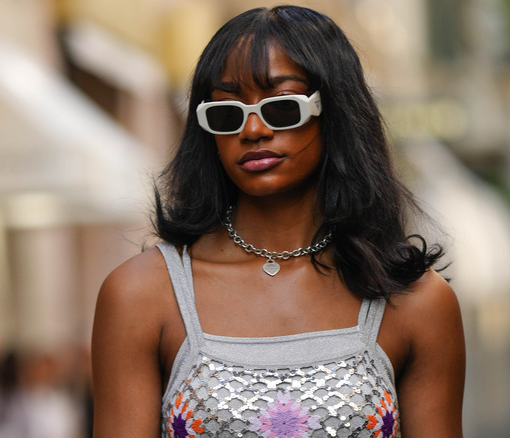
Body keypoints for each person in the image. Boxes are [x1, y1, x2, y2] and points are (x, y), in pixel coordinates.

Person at [91, 5, 465, 437]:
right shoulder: (141, 295)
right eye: (227, 114)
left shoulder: (416, 301)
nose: (252, 130)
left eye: (282, 108)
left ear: (335, 112)